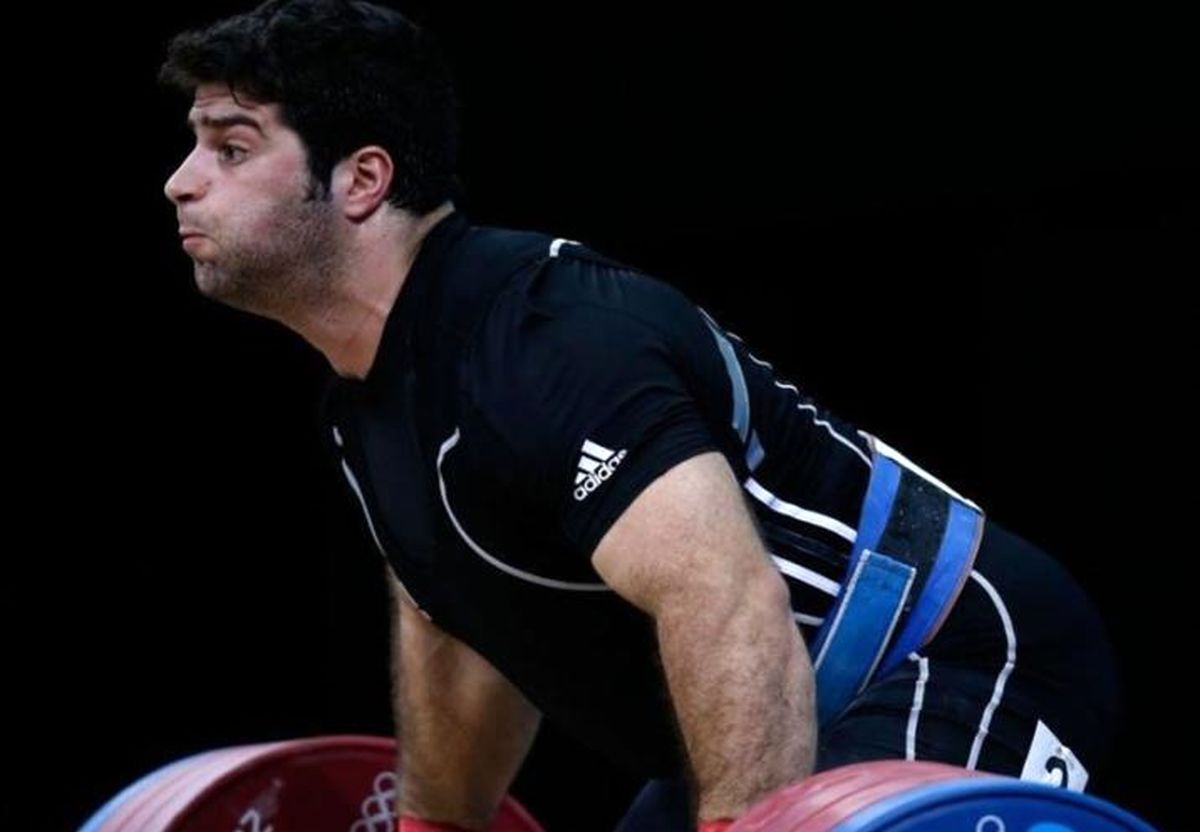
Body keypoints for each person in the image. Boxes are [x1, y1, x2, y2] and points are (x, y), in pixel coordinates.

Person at [159, 2, 1121, 829]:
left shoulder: (551, 337)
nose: (181, 180)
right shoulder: (366, 401)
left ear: (362, 180)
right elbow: (457, 624)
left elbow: (723, 598)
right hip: (771, 701)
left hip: (956, 654)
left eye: (231, 149)